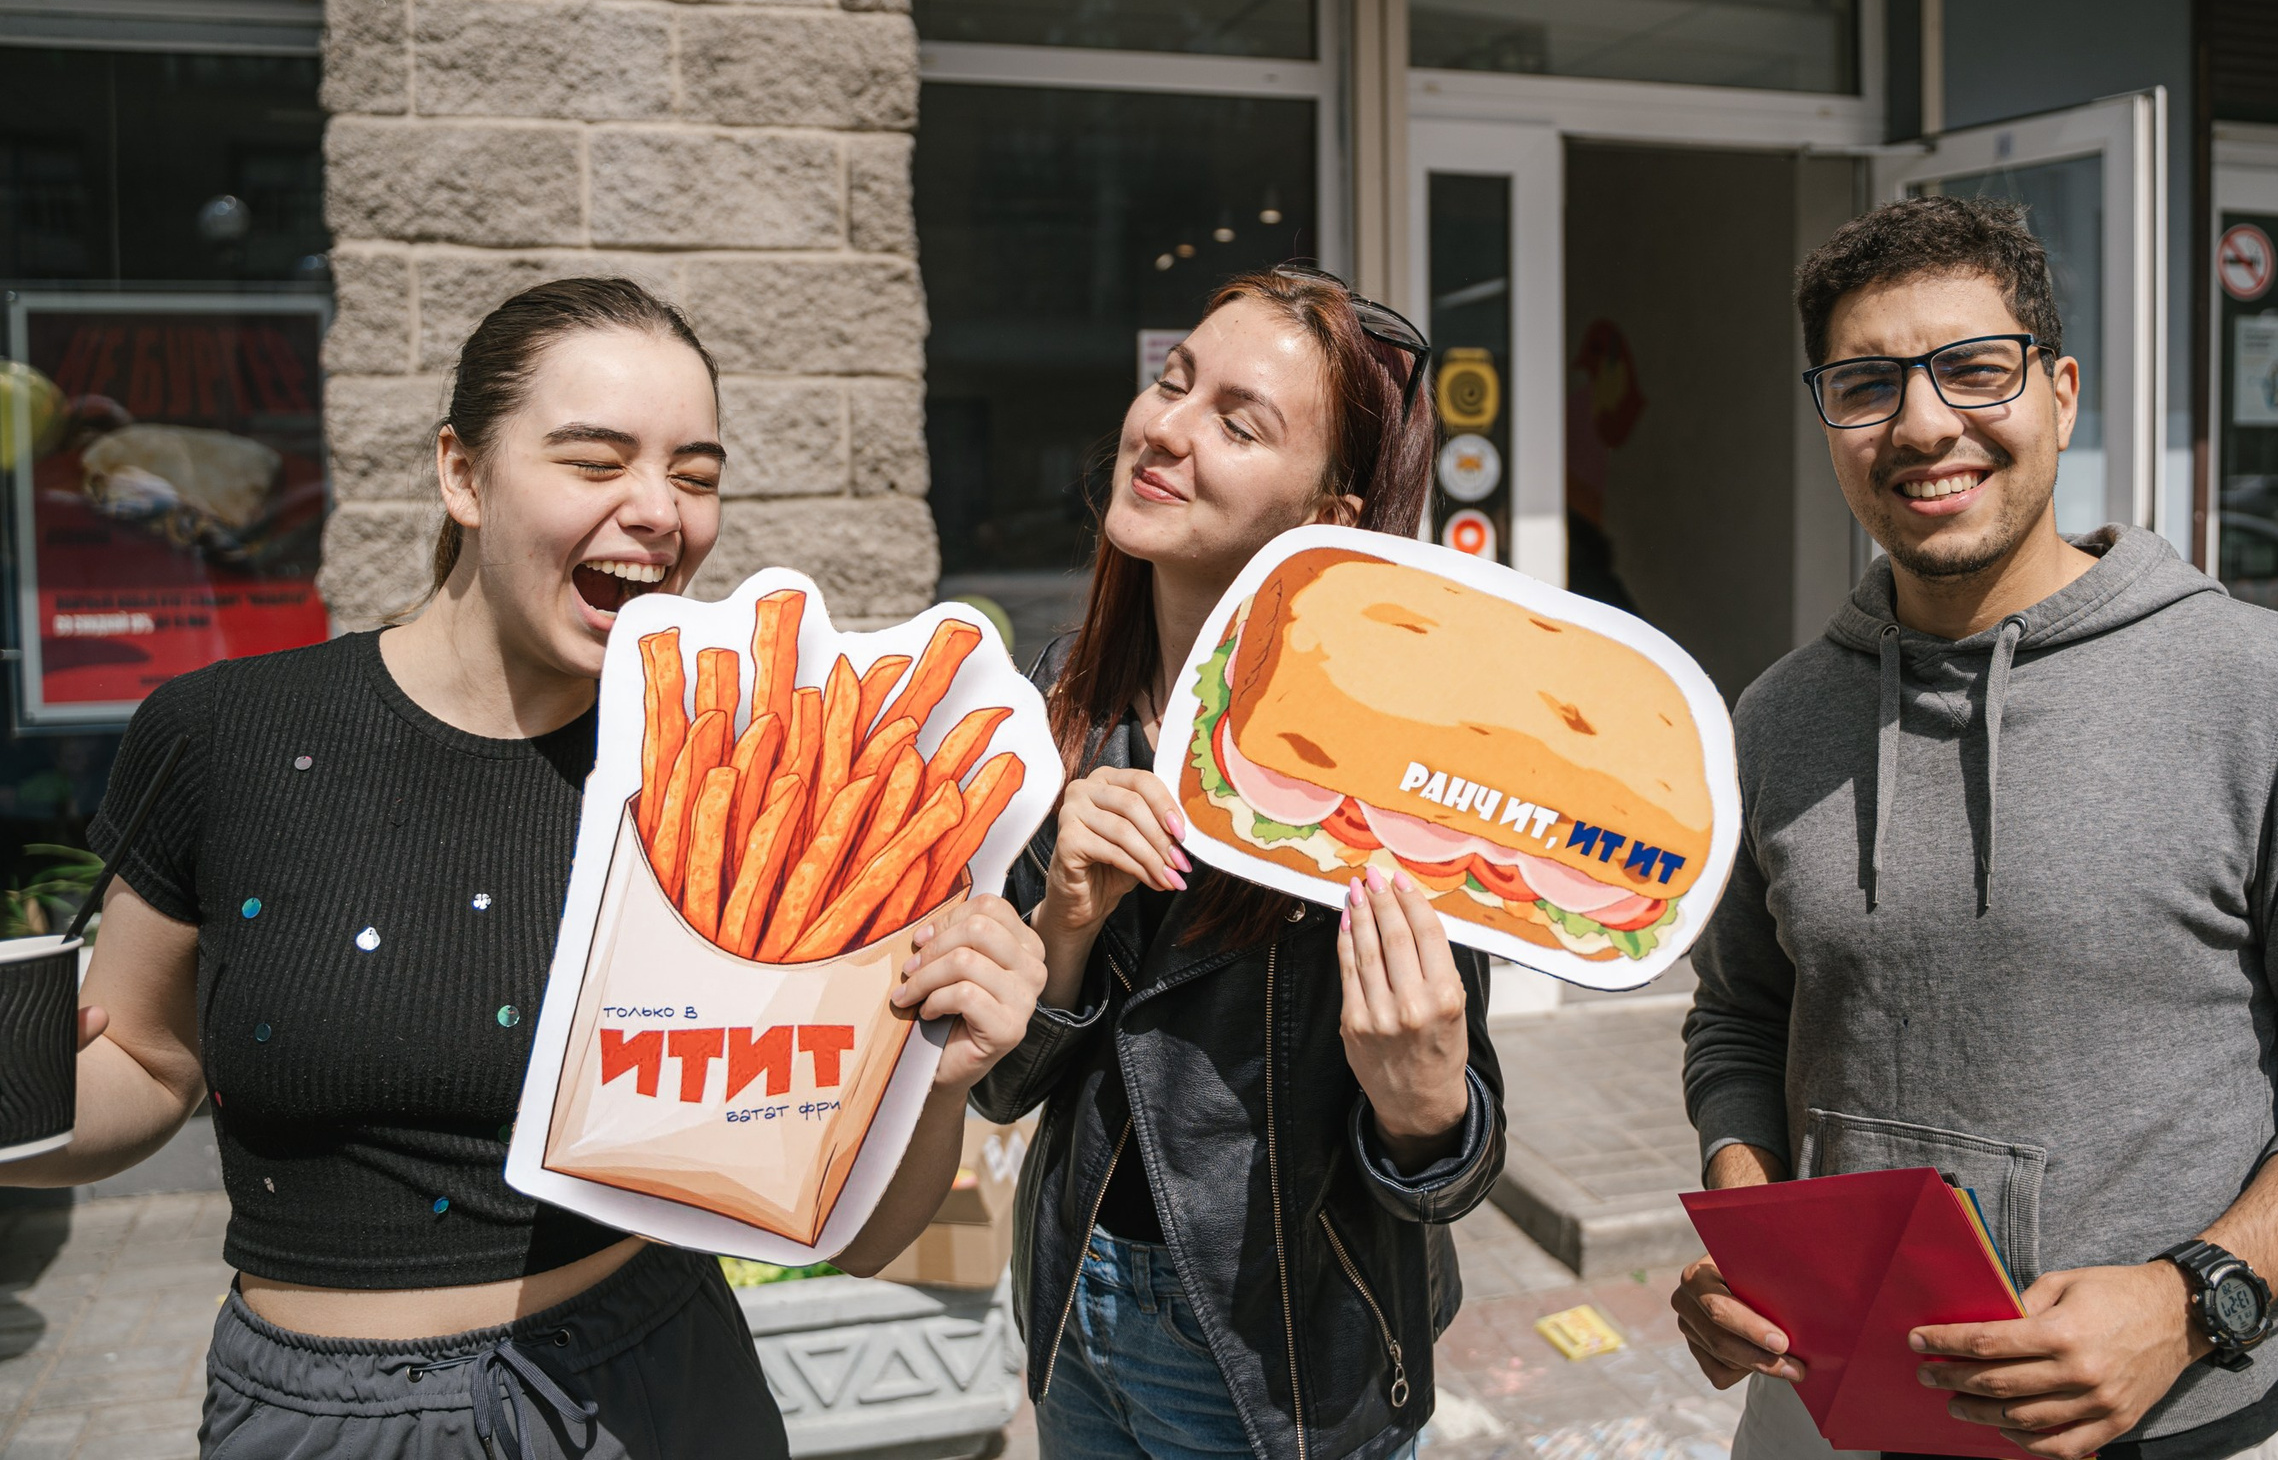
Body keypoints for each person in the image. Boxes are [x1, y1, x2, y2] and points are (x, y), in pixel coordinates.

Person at [1, 278, 1048, 1458]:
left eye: (696, 476)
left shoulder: (750, 777)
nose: (660, 511)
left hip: (660, 1385)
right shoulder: (222, 734)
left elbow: (860, 1233)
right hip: (325, 1421)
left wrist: (943, 1075)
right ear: (463, 474)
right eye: (596, 461)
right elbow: (144, 1061)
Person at [1672, 199, 2278, 1460]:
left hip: (2170, 1423)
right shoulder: (1775, 719)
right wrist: (1746, 1209)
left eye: (1973, 369)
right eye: (1867, 384)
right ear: (1827, 419)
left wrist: (2191, 1296)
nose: (1925, 423)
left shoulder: (2270, 692)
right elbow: (1740, 1015)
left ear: (2058, 392)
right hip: (1824, 1419)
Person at [972, 265, 1506, 1460]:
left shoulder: (1395, 776)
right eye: (1172, 382)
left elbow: (1454, 1160)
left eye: (1237, 420)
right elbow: (1001, 1085)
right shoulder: (1072, 703)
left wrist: (1425, 1110)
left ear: (1331, 516)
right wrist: (1060, 918)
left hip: (1277, 1365)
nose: (1165, 428)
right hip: (1074, 1316)